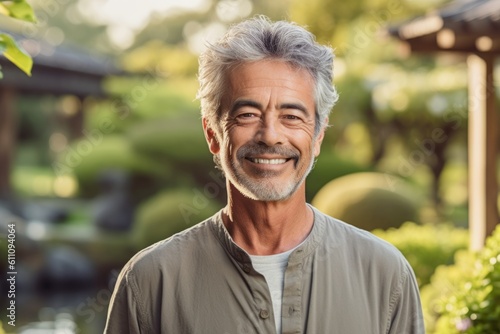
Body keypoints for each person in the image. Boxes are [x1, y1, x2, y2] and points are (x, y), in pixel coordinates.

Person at [104, 16, 424, 334]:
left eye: (292, 116)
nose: (270, 136)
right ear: (213, 134)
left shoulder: (384, 274)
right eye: (247, 114)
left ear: (318, 136)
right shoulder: (149, 283)